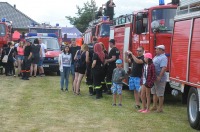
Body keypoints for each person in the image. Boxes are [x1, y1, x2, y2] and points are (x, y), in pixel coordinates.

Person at [151, 45, 168, 113]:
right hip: (154, 77)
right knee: (154, 92)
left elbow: (164, 68)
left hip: (160, 78)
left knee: (160, 94)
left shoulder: (163, 58)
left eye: (157, 49)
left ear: (161, 50)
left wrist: (159, 77)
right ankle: (154, 106)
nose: (156, 50)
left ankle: (160, 108)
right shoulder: (156, 57)